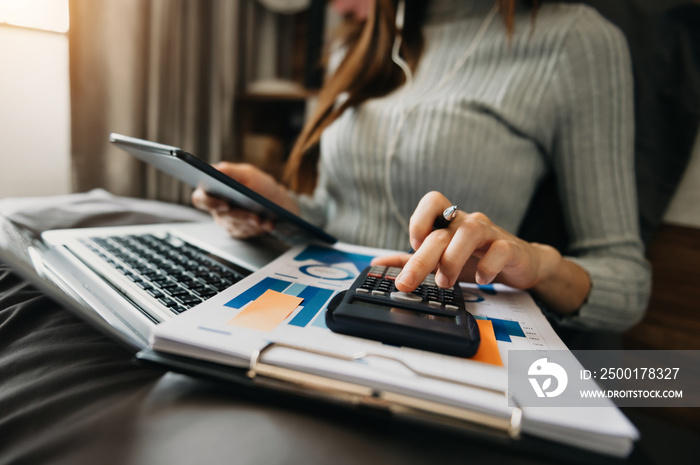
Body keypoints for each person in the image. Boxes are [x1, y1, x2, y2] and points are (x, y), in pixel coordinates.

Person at [193, 0, 651, 332]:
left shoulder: (576, 40)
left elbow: (627, 287)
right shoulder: (365, 38)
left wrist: (539, 264)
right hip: (314, 306)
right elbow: (337, 217)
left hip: (433, 328)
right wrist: (279, 206)